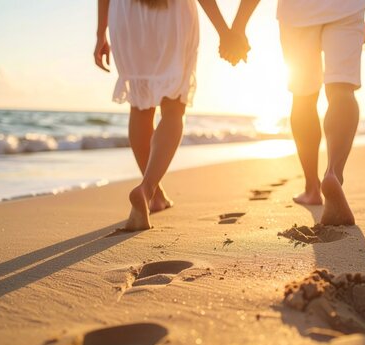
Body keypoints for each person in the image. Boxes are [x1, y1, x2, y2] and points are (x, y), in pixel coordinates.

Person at [94, 0, 251, 230]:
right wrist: (225, 32)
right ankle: (147, 190)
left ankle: (156, 196)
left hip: (127, 14)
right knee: (174, 107)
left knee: (139, 105)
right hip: (172, 14)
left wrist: (100, 33)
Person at [233, 0, 365, 226]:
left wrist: (238, 26)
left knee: (303, 96)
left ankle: (312, 188)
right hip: (346, 7)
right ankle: (333, 173)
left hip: (296, 11)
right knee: (342, 88)